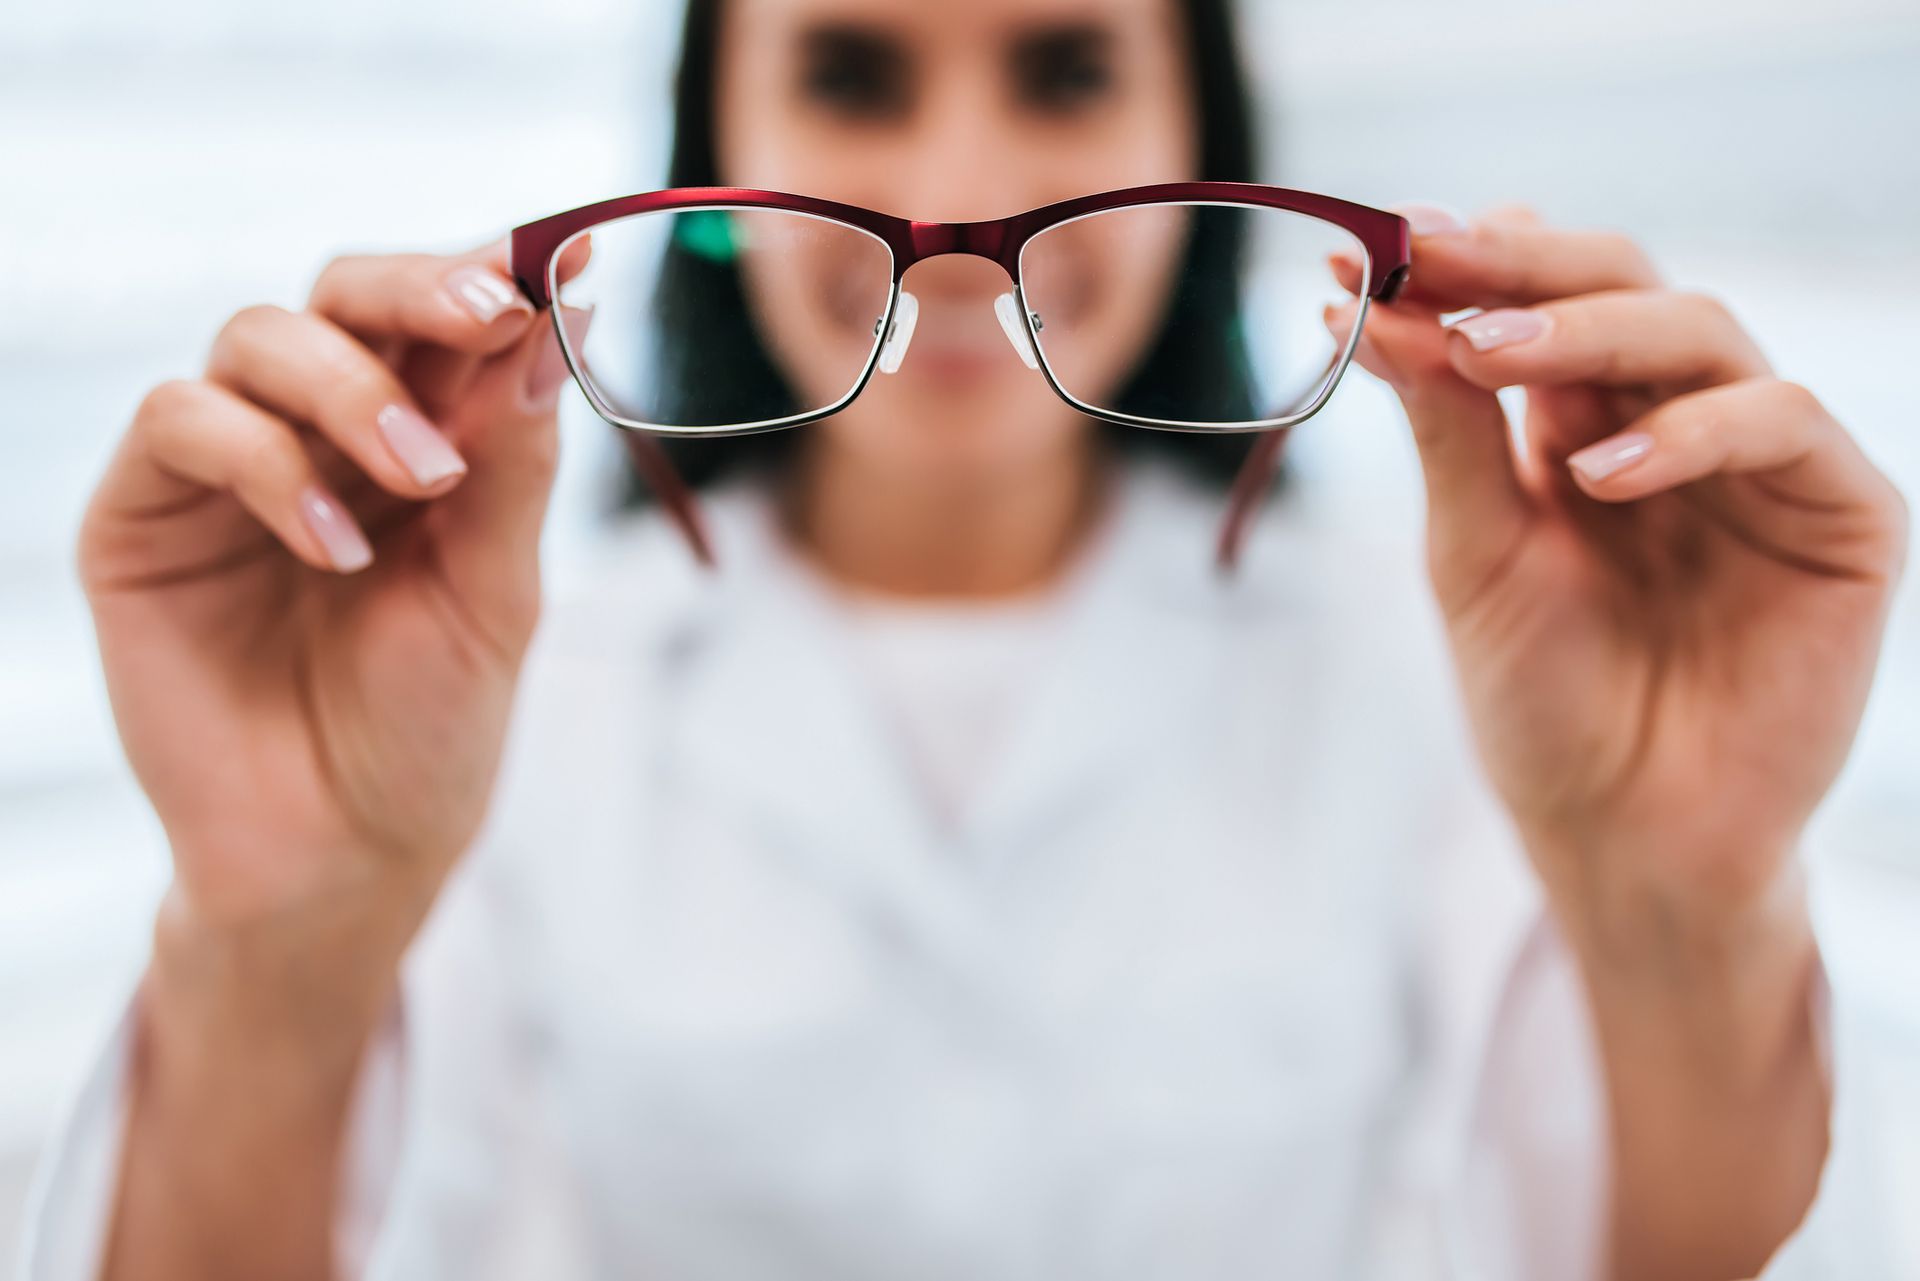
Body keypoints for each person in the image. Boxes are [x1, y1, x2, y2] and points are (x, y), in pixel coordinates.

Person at [19, 0, 1914, 1278]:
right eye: (849, 70)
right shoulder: (489, 698)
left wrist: (1688, 899)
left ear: (1205, 134)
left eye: (1067, 65)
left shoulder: (1445, 669)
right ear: (706, 160)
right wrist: (276, 937)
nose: (956, 199)